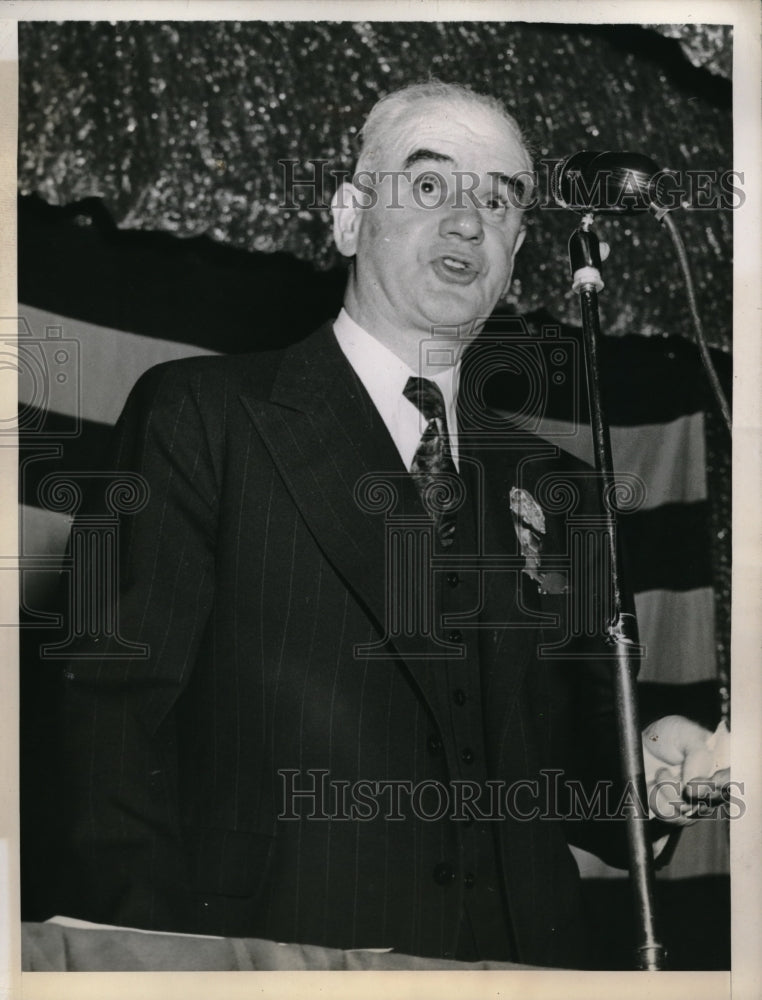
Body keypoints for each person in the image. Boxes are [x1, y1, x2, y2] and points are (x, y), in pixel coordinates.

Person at [55, 81, 726, 969]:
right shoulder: (203, 416)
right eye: (429, 185)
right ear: (346, 216)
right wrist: (144, 966)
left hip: (525, 965)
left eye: (497, 200)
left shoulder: (562, 487)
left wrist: (650, 776)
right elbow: (111, 726)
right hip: (277, 956)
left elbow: (575, 779)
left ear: (518, 250)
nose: (466, 222)